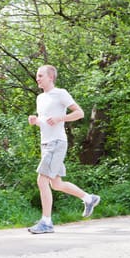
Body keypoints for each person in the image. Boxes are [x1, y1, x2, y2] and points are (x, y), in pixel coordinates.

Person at [27, 65, 100, 234]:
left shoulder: (61, 93)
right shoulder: (40, 98)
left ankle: (46, 222)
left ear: (50, 77)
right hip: (46, 144)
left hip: (57, 143)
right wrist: (35, 121)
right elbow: (45, 121)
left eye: (40, 75)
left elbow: (80, 113)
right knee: (56, 184)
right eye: (37, 76)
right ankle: (89, 198)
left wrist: (62, 117)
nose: (37, 78)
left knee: (41, 180)